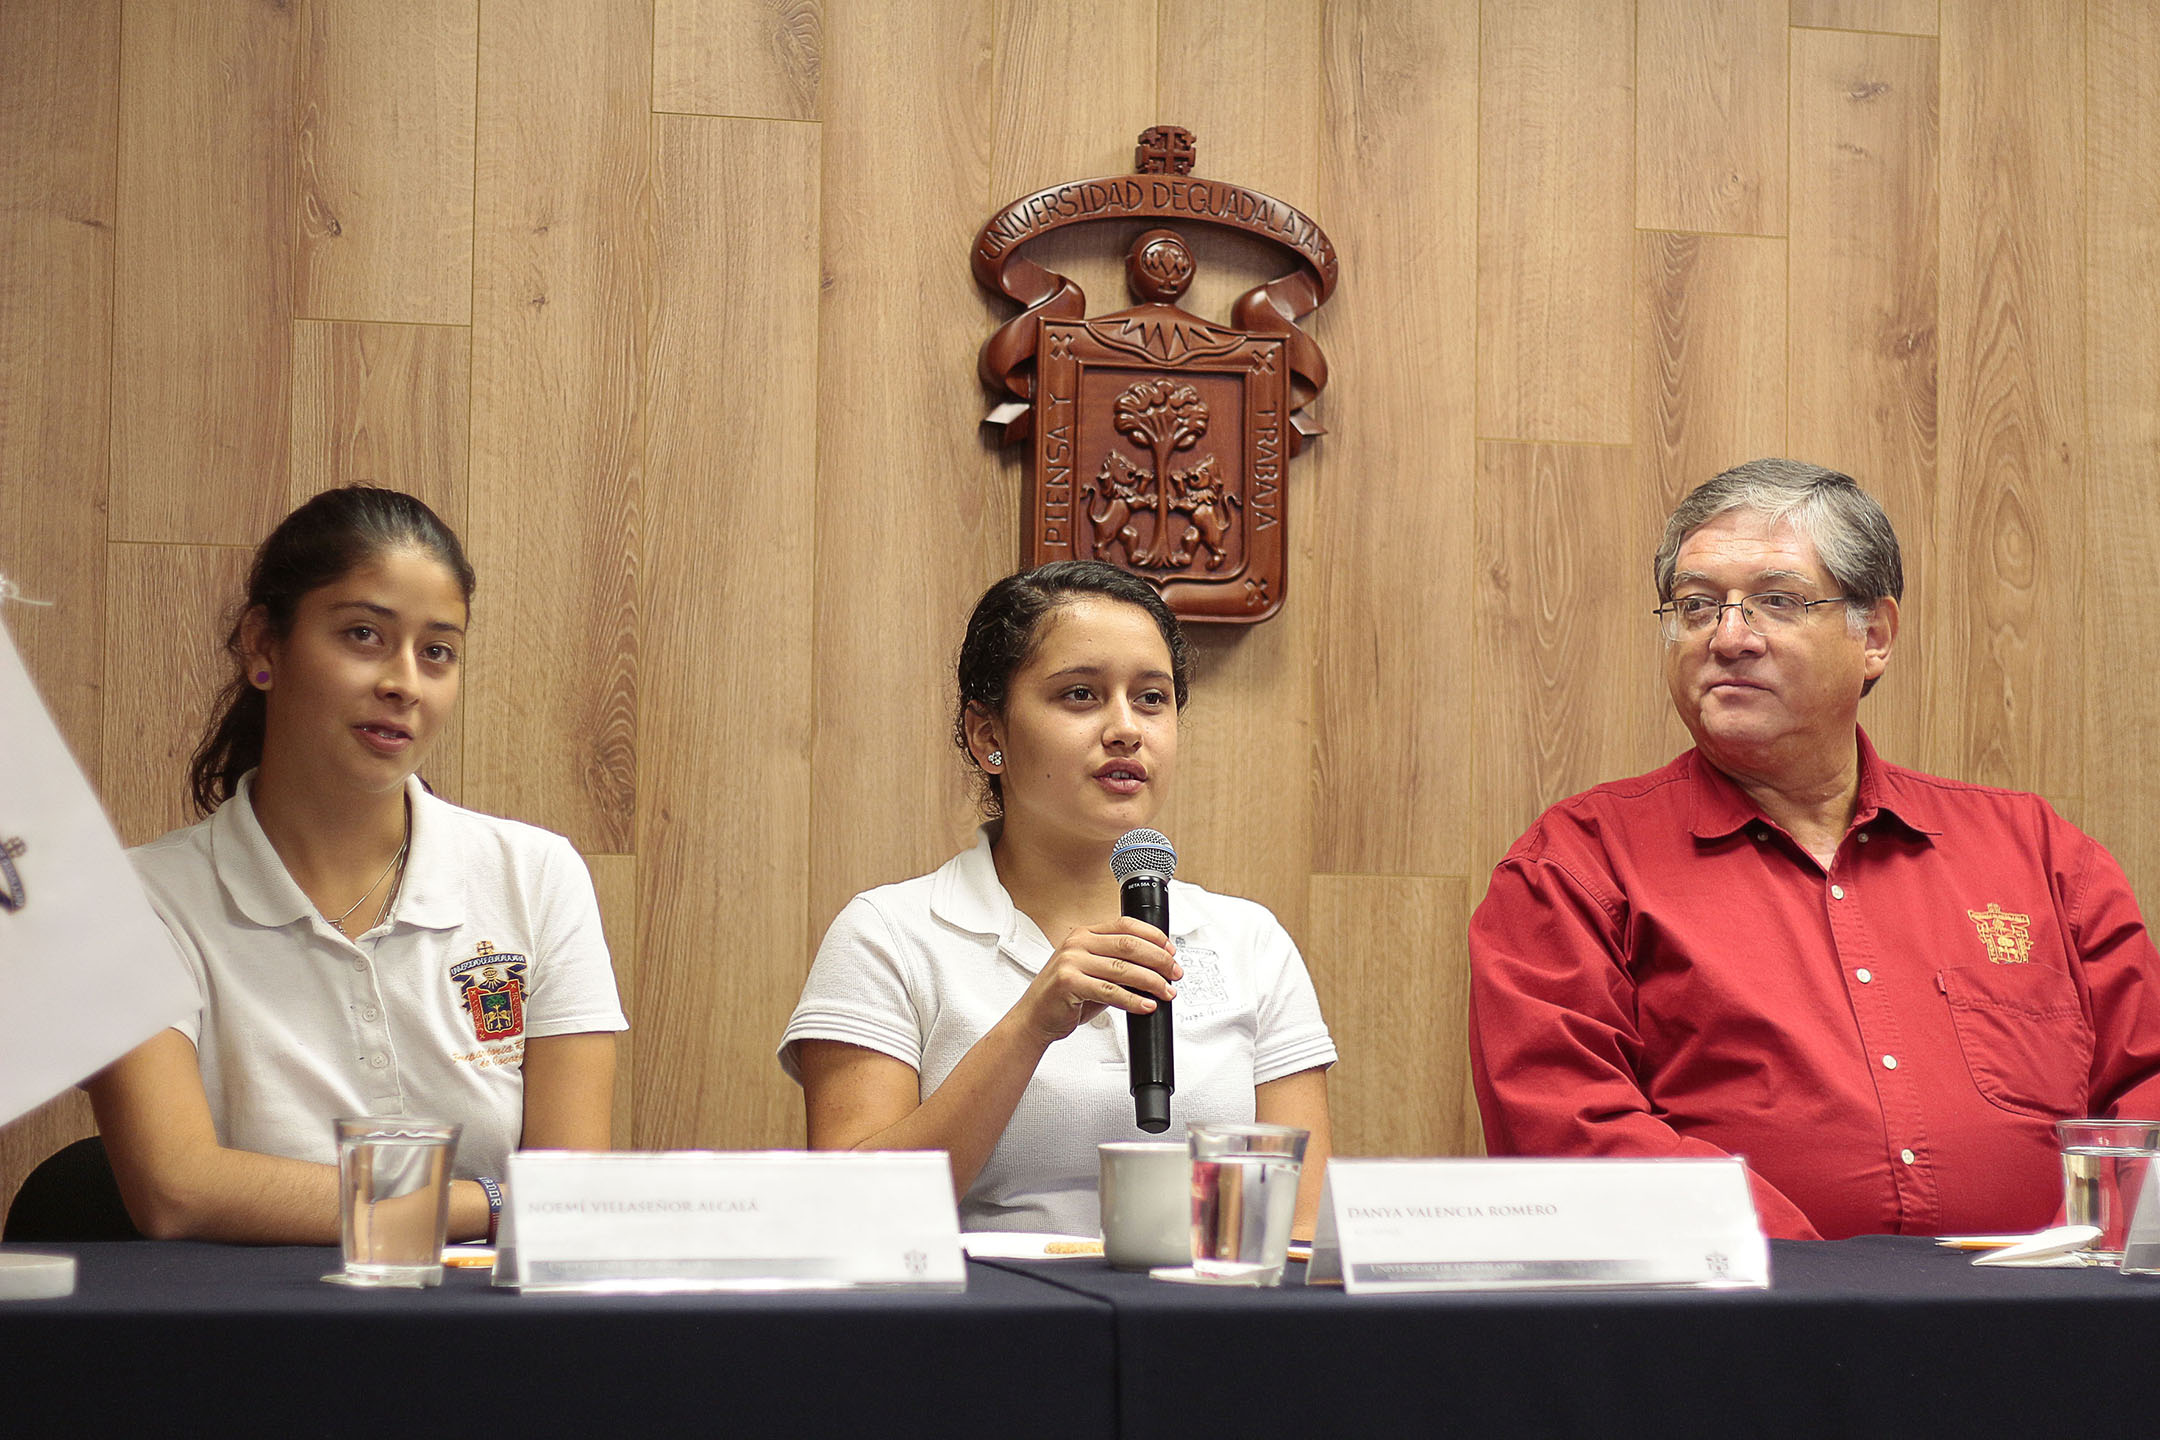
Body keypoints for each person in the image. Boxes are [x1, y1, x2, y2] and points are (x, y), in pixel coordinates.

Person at [1469, 458, 2160, 1240]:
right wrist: (1818, 1283)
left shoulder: (2039, 855)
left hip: (2048, 1333)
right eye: (1696, 606)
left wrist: (2095, 1282)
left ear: (1875, 636)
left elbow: (2145, 1091)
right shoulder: (1575, 868)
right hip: (1735, 1337)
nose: (1729, 637)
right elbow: (1568, 1128)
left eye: (1777, 601)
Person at [86, 486, 626, 1243]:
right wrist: (496, 1202)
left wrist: (524, 1202)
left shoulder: (536, 875)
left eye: (437, 651)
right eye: (364, 635)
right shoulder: (133, 901)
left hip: (493, 1343)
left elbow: (573, 1193)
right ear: (263, 646)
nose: (403, 681)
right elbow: (177, 1188)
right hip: (256, 1339)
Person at [781, 560, 1336, 1236]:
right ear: (990, 736)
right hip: (978, 1328)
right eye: (1080, 694)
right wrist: (1030, 1026)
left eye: (1152, 698)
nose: (1126, 728)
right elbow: (850, 1219)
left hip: (1202, 1327)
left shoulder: (1250, 941)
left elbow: (1299, 1231)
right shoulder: (889, 934)